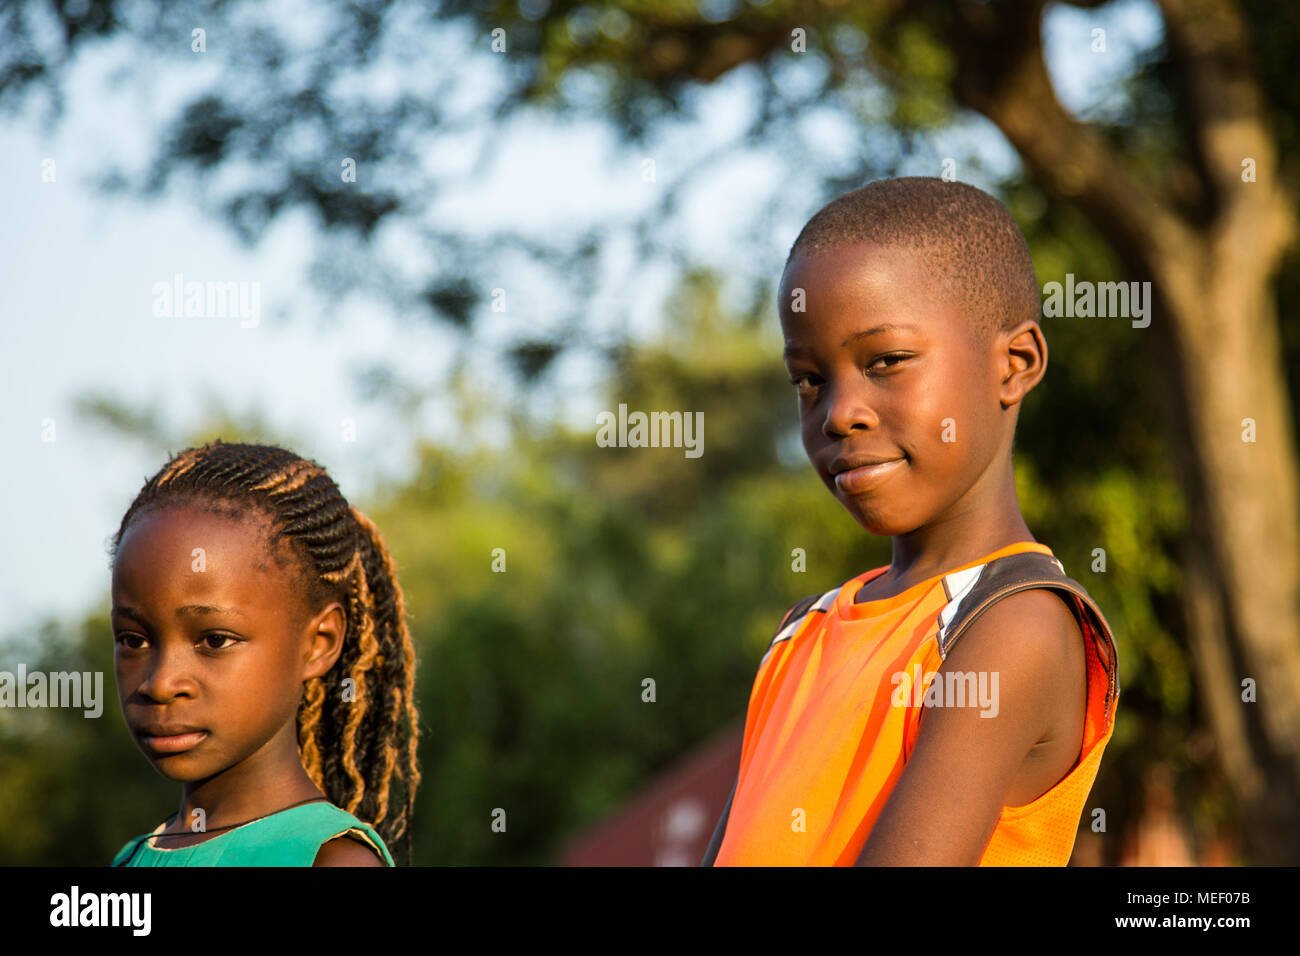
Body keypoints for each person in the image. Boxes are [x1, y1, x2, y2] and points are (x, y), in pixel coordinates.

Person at [704, 177, 1120, 866]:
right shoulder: (801, 634)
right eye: (809, 379)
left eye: (886, 362)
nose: (839, 412)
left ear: (1014, 365)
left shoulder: (1014, 624)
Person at [107, 440, 421, 866]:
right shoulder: (132, 858)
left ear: (319, 643)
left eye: (215, 640)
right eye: (133, 640)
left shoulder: (331, 860)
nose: (160, 683)